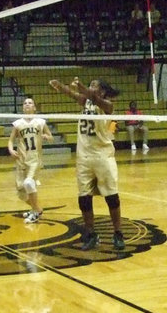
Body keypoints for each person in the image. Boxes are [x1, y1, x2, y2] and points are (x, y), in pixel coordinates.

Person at [49, 76, 126, 250]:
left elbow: (92, 97)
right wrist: (60, 85)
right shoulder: (86, 101)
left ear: (103, 91)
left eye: (94, 85)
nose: (91, 87)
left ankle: (118, 233)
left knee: (111, 197)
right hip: (84, 156)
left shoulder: (107, 105)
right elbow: (74, 95)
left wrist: (81, 86)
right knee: (84, 198)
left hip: (103, 155)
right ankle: (91, 234)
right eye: (90, 84)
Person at [8, 97, 53, 223]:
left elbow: (51, 136)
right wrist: (11, 150)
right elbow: (11, 140)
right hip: (21, 159)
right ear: (23, 107)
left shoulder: (40, 122)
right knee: (21, 193)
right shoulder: (17, 124)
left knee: (29, 183)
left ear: (34, 108)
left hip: (34, 159)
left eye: (30, 103)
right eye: (25, 103)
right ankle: (36, 208)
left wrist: (46, 136)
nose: (27, 105)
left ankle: (35, 212)